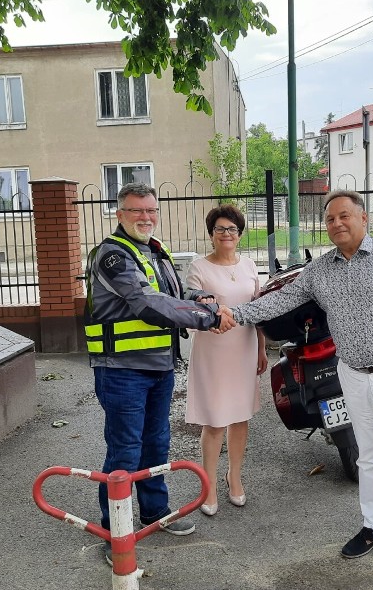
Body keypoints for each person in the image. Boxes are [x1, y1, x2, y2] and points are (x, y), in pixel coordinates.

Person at [226, 189, 373, 585]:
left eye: (344, 216)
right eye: (330, 219)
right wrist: (235, 314)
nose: (337, 224)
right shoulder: (321, 270)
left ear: (363, 218)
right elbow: (280, 301)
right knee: (369, 458)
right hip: (353, 374)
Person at [83, 182, 233, 565]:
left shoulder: (154, 250)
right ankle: (115, 532)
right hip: (121, 371)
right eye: (137, 211)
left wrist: (198, 299)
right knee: (125, 450)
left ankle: (154, 512)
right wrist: (208, 316)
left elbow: (174, 293)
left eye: (151, 210)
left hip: (158, 366)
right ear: (120, 215)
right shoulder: (112, 255)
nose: (146, 217)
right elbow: (148, 303)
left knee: (155, 444)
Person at [184, 204, 268, 516]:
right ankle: (207, 485)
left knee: (240, 417)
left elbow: (257, 309)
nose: (226, 234)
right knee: (216, 420)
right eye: (220, 229)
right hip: (213, 352)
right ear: (211, 234)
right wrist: (210, 319)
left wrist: (261, 347)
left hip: (244, 349)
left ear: (240, 233)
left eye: (232, 229)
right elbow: (192, 310)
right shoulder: (199, 269)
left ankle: (234, 476)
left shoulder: (249, 265)